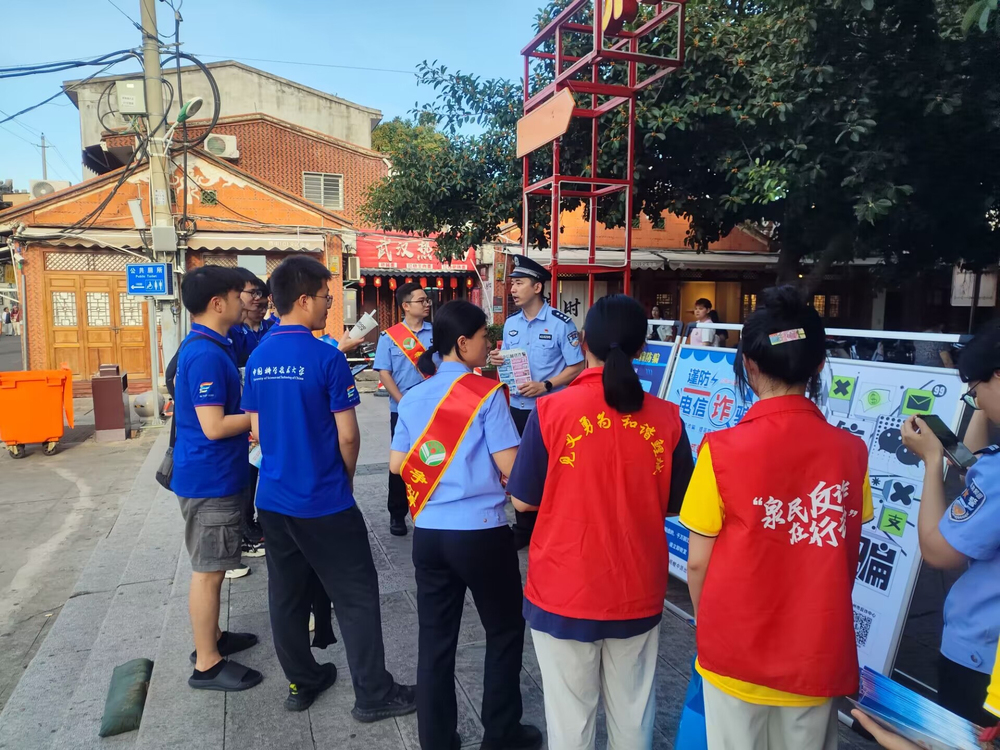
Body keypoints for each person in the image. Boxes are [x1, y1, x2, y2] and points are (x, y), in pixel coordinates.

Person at [680, 286, 874, 750]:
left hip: (735, 651)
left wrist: (708, 624)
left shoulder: (720, 451)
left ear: (748, 364)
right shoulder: (852, 453)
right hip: (815, 652)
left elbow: (698, 562)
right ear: (819, 365)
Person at [507, 294, 693, 750]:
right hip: (637, 587)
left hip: (564, 586)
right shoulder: (667, 418)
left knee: (571, 723)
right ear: (642, 347)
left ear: (583, 342)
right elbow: (676, 504)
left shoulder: (551, 411)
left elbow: (523, 501)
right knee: (634, 716)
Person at [242, 256, 416, 717]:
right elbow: (349, 436)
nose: (328, 305)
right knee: (356, 594)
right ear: (303, 300)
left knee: (286, 595)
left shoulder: (258, 357)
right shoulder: (326, 357)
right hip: (322, 500)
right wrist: (346, 479)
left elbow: (256, 429)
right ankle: (373, 694)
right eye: (326, 297)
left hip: (272, 499)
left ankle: (302, 681)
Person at [389, 300, 541, 750]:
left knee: (436, 641)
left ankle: (437, 741)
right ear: (462, 343)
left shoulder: (414, 396)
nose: (488, 345)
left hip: (429, 535)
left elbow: (397, 464)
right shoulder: (486, 394)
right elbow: (512, 468)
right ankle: (502, 734)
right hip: (481, 533)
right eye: (482, 337)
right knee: (504, 630)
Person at [900, 321, 1000, 726]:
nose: (976, 401)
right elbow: (975, 471)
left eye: (974, 391)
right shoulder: (991, 472)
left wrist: (931, 461)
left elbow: (939, 551)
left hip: (982, 656)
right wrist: (982, 404)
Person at [172, 265, 262, 692]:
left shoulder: (212, 344)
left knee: (216, 564)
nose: (244, 301)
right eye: (237, 294)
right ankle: (207, 663)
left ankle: (214, 637)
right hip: (210, 479)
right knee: (209, 571)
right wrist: (261, 416)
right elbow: (213, 425)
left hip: (215, 472)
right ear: (217, 303)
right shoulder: (206, 353)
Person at [488, 255, 585, 549]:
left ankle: (551, 525)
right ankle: (524, 528)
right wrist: (498, 360)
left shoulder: (561, 324)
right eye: (512, 284)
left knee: (551, 469)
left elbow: (578, 366)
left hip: (549, 411)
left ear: (537, 287)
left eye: (519, 283)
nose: (513, 289)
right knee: (519, 469)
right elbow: (509, 363)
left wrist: (546, 385)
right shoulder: (511, 324)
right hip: (517, 409)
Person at [374, 281, 436, 538]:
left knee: (434, 457)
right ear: (406, 306)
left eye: (427, 300)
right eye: (421, 300)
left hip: (434, 410)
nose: (427, 304)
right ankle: (397, 513)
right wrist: (402, 401)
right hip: (402, 410)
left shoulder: (437, 334)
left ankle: (430, 510)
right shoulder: (389, 337)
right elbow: (384, 372)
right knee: (400, 461)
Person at [230, 270, 275, 368]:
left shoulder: (272, 328)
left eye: (266, 306)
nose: (257, 297)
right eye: (252, 293)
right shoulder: (231, 330)